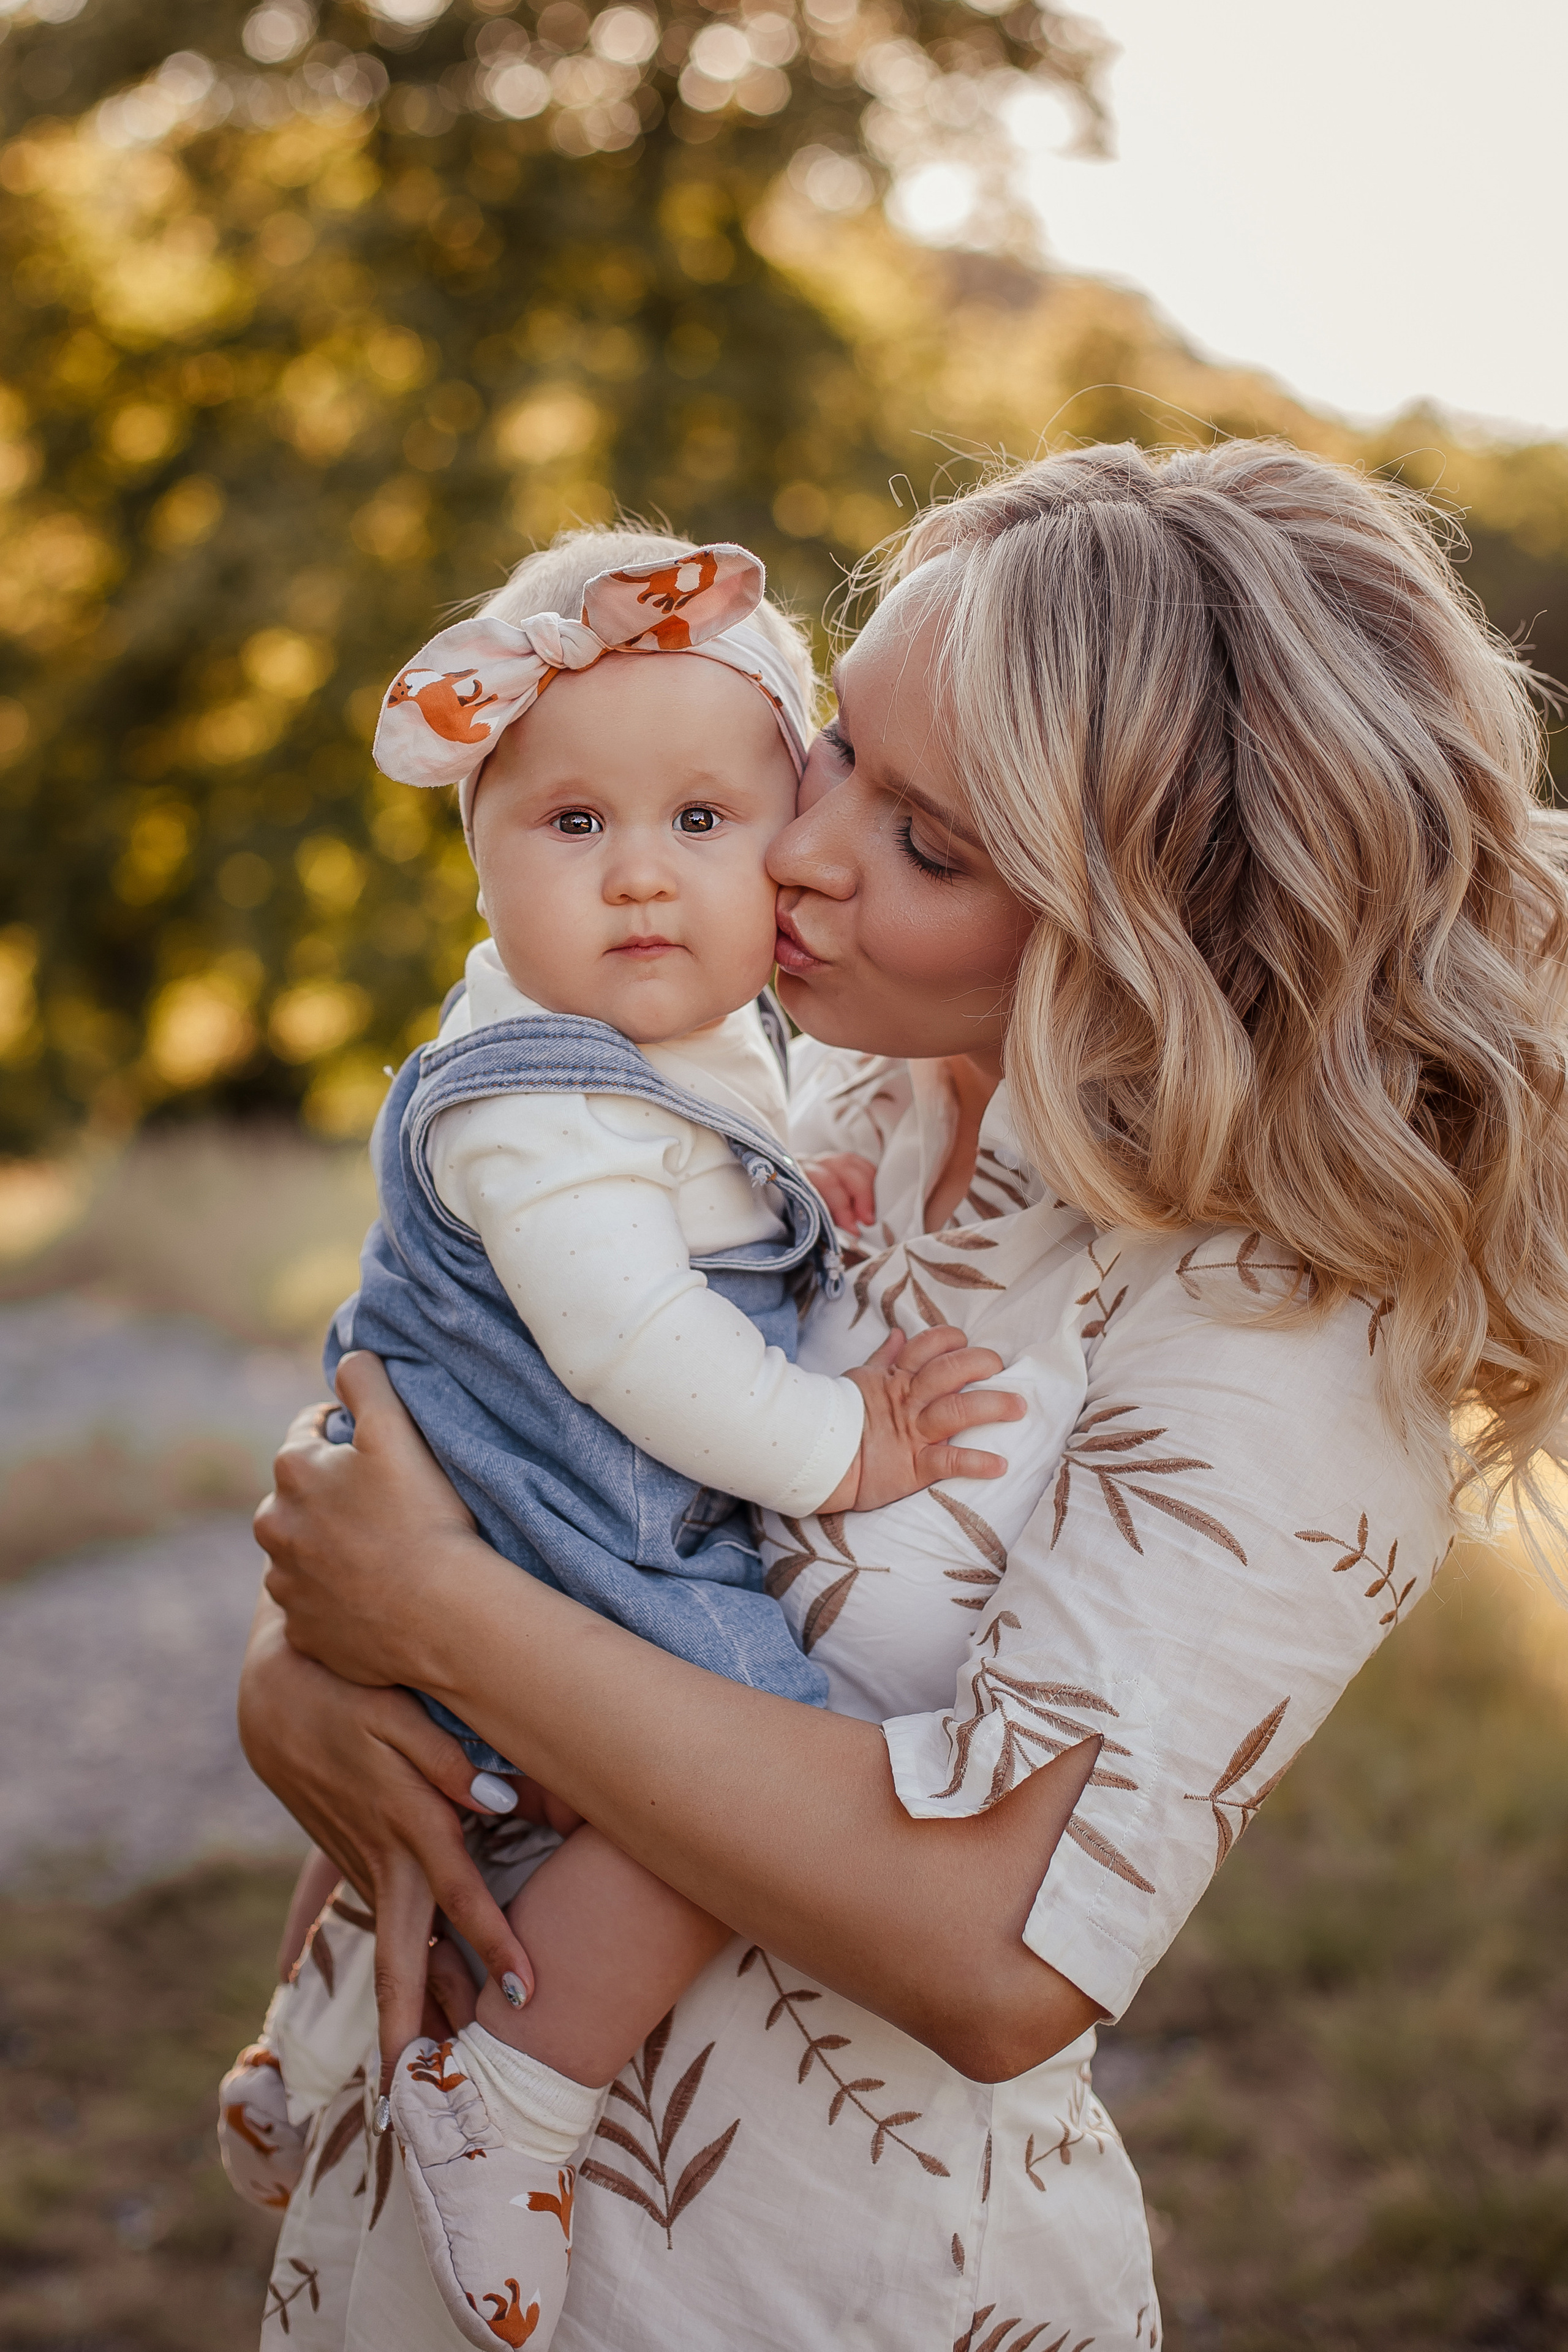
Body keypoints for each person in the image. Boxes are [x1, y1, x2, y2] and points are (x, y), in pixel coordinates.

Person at [243, 439, 1568, 2351]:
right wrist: (305, 1680)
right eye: (841, 751)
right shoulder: (841, 1093)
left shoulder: (1281, 1324)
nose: (797, 848)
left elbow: (1000, 1952)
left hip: (786, 2280)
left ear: (1162, 926)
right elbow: (508, 1437)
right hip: (408, 2223)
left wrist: (430, 1614)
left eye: (930, 843)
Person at [217, 527, 1015, 2347]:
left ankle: (306, 2050)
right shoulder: (540, 1103)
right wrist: (849, 1453)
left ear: (780, 839)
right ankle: (514, 2088)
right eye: (573, 828)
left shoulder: (701, 1056)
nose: (642, 878)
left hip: (503, 1519)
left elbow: (715, 1211)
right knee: (747, 1753)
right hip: (577, 1513)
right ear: (478, 854)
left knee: (415, 1811)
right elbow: (643, 1343)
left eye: (701, 825)